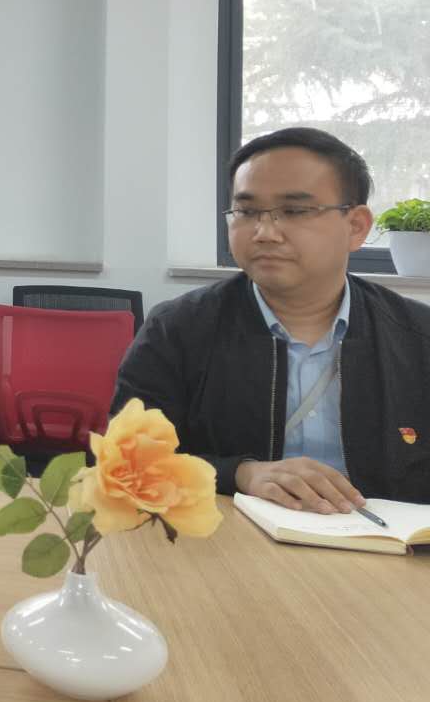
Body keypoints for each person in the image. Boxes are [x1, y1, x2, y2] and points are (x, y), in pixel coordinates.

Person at [114, 127, 430, 510]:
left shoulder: (418, 336)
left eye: (294, 211)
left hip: (385, 544)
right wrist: (239, 474)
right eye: (247, 212)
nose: (264, 233)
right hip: (225, 539)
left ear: (356, 226)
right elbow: (122, 465)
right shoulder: (178, 329)